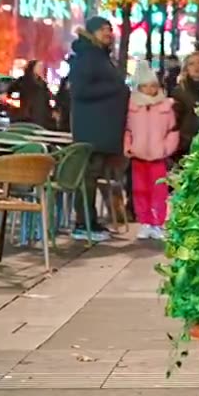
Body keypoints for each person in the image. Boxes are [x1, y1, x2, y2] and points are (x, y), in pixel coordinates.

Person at [67, 17, 130, 242]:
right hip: (92, 130)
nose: (108, 33)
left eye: (110, 29)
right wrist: (115, 90)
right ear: (92, 32)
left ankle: (91, 221)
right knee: (88, 177)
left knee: (93, 176)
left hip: (101, 130)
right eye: (104, 29)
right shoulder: (88, 57)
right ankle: (83, 223)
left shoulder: (100, 56)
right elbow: (79, 91)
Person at [123, 61, 179, 240]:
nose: (150, 89)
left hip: (157, 157)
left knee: (159, 191)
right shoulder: (132, 107)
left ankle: (158, 222)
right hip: (138, 156)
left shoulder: (165, 107)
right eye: (146, 86)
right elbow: (127, 130)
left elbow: (172, 131)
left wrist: (165, 149)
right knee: (140, 190)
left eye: (153, 85)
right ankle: (145, 221)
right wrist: (128, 147)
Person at [172, 51, 199, 158]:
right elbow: (174, 119)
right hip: (186, 143)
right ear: (186, 68)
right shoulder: (179, 91)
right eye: (191, 64)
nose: (196, 67)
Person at [8, 60, 55, 129]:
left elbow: (47, 99)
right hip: (25, 116)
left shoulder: (43, 84)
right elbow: (11, 94)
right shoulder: (21, 81)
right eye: (38, 67)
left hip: (41, 116)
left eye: (41, 67)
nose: (40, 69)